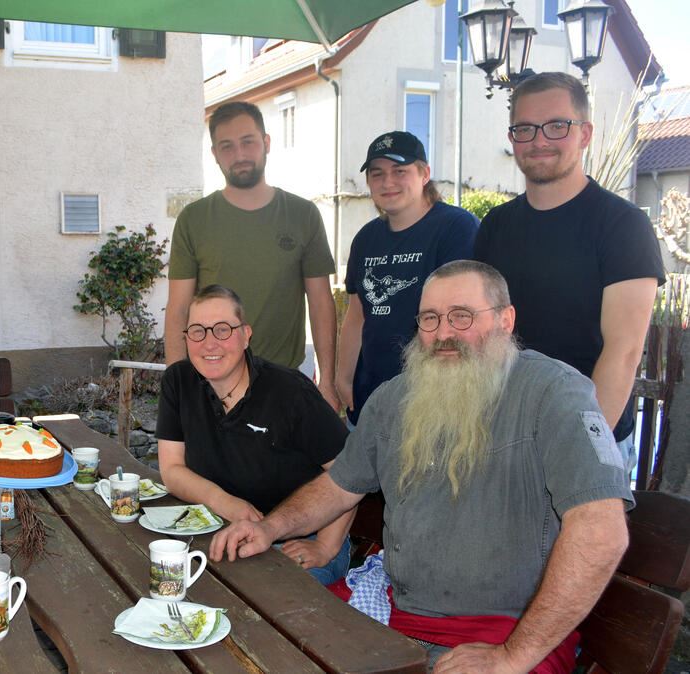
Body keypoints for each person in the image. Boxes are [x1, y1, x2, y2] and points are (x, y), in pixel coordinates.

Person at [210, 261, 631, 674]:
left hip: (502, 634)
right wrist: (271, 527)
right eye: (430, 319)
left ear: (506, 319)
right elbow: (340, 487)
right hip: (395, 609)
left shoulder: (553, 393)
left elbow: (601, 533)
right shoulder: (394, 398)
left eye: (461, 316)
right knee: (253, 639)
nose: (444, 333)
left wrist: (511, 656)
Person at [474, 71, 665, 479]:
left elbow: (624, 352)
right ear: (512, 138)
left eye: (557, 126)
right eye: (525, 128)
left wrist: (577, 445)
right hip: (505, 435)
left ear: (585, 133)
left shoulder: (622, 225)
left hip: (589, 438)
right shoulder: (495, 226)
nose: (539, 140)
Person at [157, 284, 353, 584]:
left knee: (271, 609)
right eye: (198, 331)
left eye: (223, 329)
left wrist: (326, 546)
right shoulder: (178, 381)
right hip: (223, 527)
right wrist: (225, 502)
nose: (209, 343)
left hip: (301, 536)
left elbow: (352, 473)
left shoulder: (290, 391)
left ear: (246, 335)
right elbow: (171, 469)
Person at [164, 101, 339, 410]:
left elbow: (321, 302)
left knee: (288, 460)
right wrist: (178, 387)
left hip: (286, 381)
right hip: (212, 382)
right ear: (215, 154)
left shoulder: (303, 215)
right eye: (227, 146)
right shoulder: (193, 220)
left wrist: (327, 379)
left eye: (248, 142)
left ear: (266, 143)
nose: (240, 155)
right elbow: (179, 310)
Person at [336, 131, 477, 426]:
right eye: (377, 174)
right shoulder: (365, 239)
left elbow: (461, 319)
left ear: (424, 173)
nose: (387, 182)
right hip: (370, 399)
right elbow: (357, 314)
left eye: (400, 171)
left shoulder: (456, 228)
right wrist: (344, 377)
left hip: (432, 404)